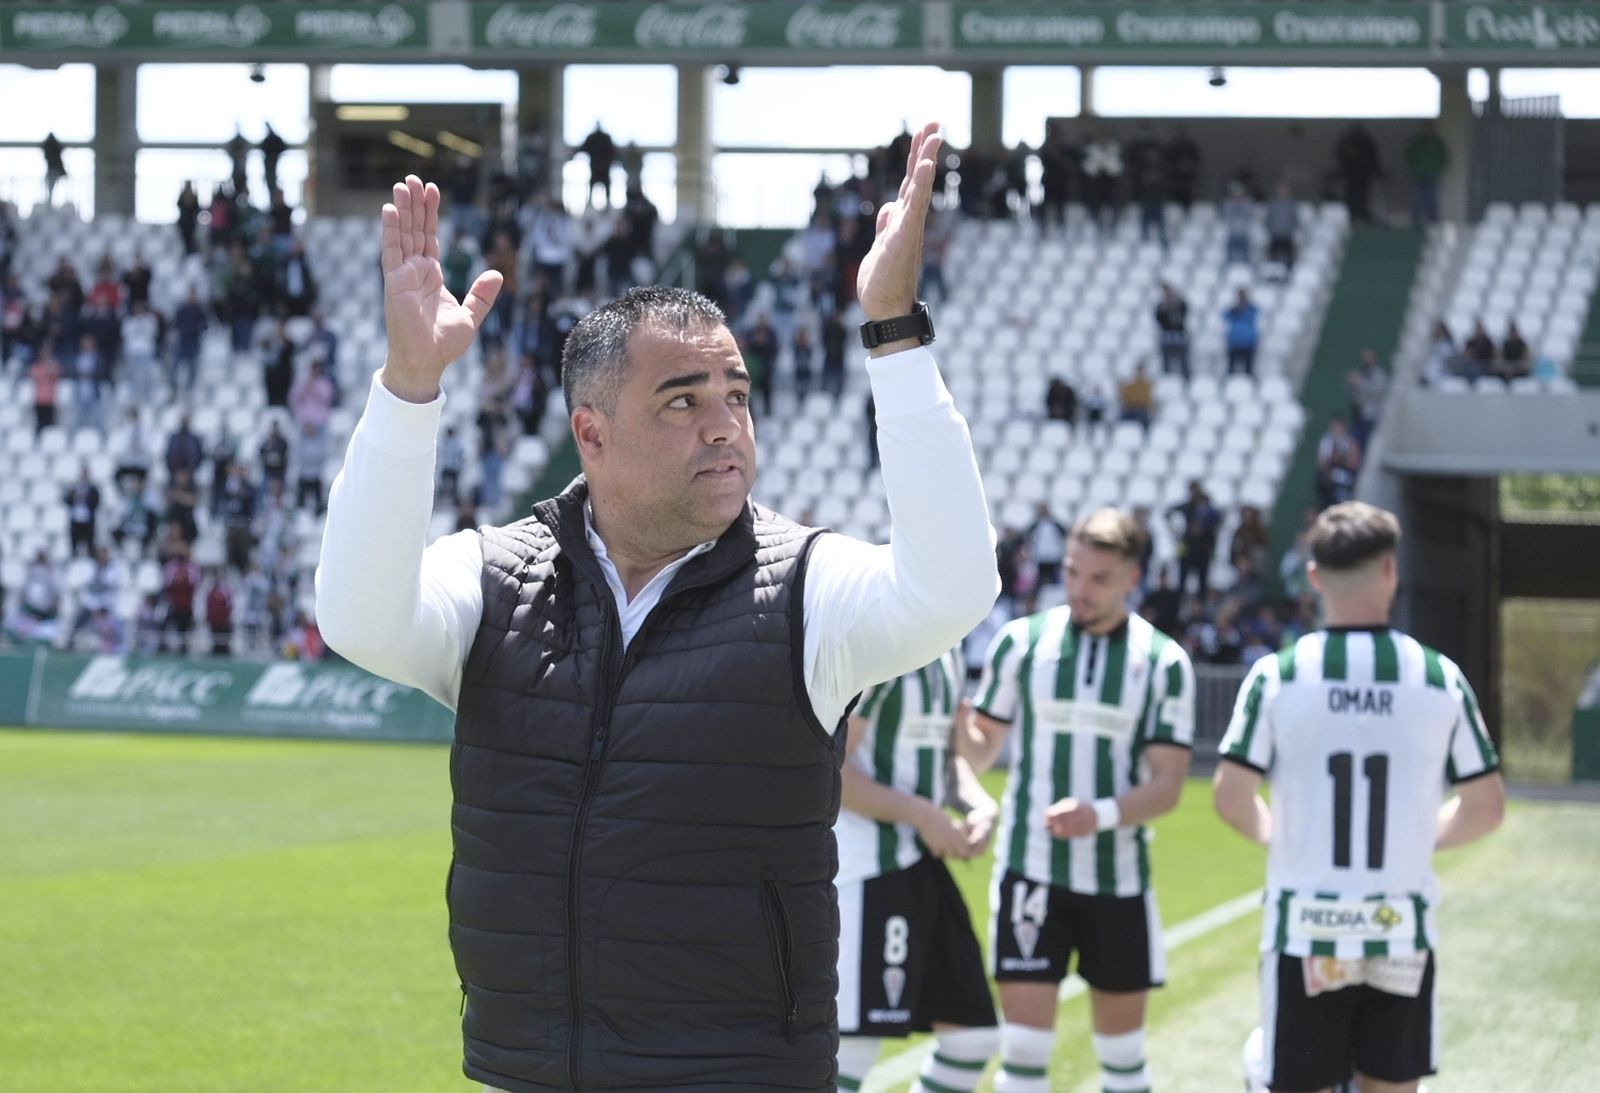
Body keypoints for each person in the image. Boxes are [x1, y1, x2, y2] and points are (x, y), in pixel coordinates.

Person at [315, 125, 998, 1090]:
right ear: (591, 434)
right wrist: (410, 388)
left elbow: (954, 587)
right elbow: (356, 616)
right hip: (529, 1070)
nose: (725, 423)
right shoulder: (499, 576)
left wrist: (891, 331)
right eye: (682, 401)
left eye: (737, 393)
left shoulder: (804, 584)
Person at [1214, 501, 1505, 1093]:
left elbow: (1231, 797)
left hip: (1308, 929)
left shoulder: (1278, 676)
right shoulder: (1438, 676)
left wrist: (1280, 835)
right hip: (1398, 926)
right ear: (1390, 572)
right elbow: (1486, 806)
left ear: (1314, 576)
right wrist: (1421, 839)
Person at [962, 508, 1196, 1093]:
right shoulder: (1022, 643)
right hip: (1032, 872)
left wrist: (1102, 816)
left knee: (1122, 1062)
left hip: (1118, 880)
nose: (1079, 590)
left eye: (1098, 578)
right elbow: (981, 748)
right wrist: (951, 720)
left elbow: (1168, 785)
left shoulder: (1164, 662)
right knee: (1023, 1056)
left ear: (1132, 579)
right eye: (1071, 573)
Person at [833, 651, 1001, 1093]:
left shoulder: (948, 649)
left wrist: (979, 805)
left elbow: (942, 759)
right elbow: (832, 769)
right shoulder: (882, 650)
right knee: (852, 1048)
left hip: (920, 862)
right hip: (869, 866)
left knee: (972, 1039)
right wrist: (924, 815)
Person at [1346, 348, 1390, 452]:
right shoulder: (1360, 372)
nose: (1365, 360)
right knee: (1355, 442)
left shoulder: (1379, 375)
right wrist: (1352, 383)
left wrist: (1359, 383)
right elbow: (1352, 392)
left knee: (1366, 442)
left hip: (1369, 415)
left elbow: (1377, 391)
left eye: (1368, 358)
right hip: (1357, 413)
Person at [1405, 125, 1449, 227]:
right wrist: (1414, 170)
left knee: (1432, 200)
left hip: (1432, 176)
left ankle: (1433, 223)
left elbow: (1443, 158)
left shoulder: (1436, 143)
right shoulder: (1417, 143)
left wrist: (1436, 170)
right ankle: (1416, 223)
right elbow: (1409, 156)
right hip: (1419, 176)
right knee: (1418, 200)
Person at [1154, 283, 1189, 379]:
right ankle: (1166, 377)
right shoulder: (1161, 306)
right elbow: (1158, 319)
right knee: (1166, 357)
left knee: (1182, 357)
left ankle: (1186, 376)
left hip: (1179, 334)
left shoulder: (1180, 304)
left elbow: (1184, 314)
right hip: (1167, 334)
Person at [1224, 288, 1260, 376]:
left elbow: (1255, 315)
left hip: (1248, 342)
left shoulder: (1251, 309)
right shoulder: (1233, 310)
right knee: (1231, 369)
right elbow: (1224, 317)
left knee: (1248, 370)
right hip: (1235, 341)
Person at [42, 132, 66, 204]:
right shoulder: (55, 146)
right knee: (51, 188)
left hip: (53, 170)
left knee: (51, 188)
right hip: (55, 170)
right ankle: (51, 203)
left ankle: (51, 203)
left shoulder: (49, 147)